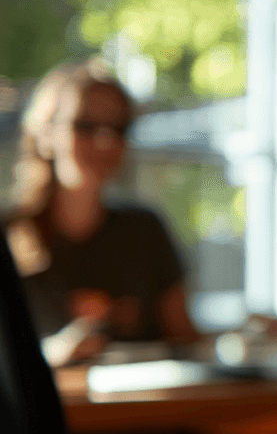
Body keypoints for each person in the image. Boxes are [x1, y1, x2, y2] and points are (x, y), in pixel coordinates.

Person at [5, 59, 198, 365]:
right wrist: (50, 354)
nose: (105, 141)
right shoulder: (9, 234)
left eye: (118, 129)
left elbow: (186, 340)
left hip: (147, 408)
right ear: (46, 134)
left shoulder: (144, 230)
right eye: (85, 126)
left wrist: (247, 340)